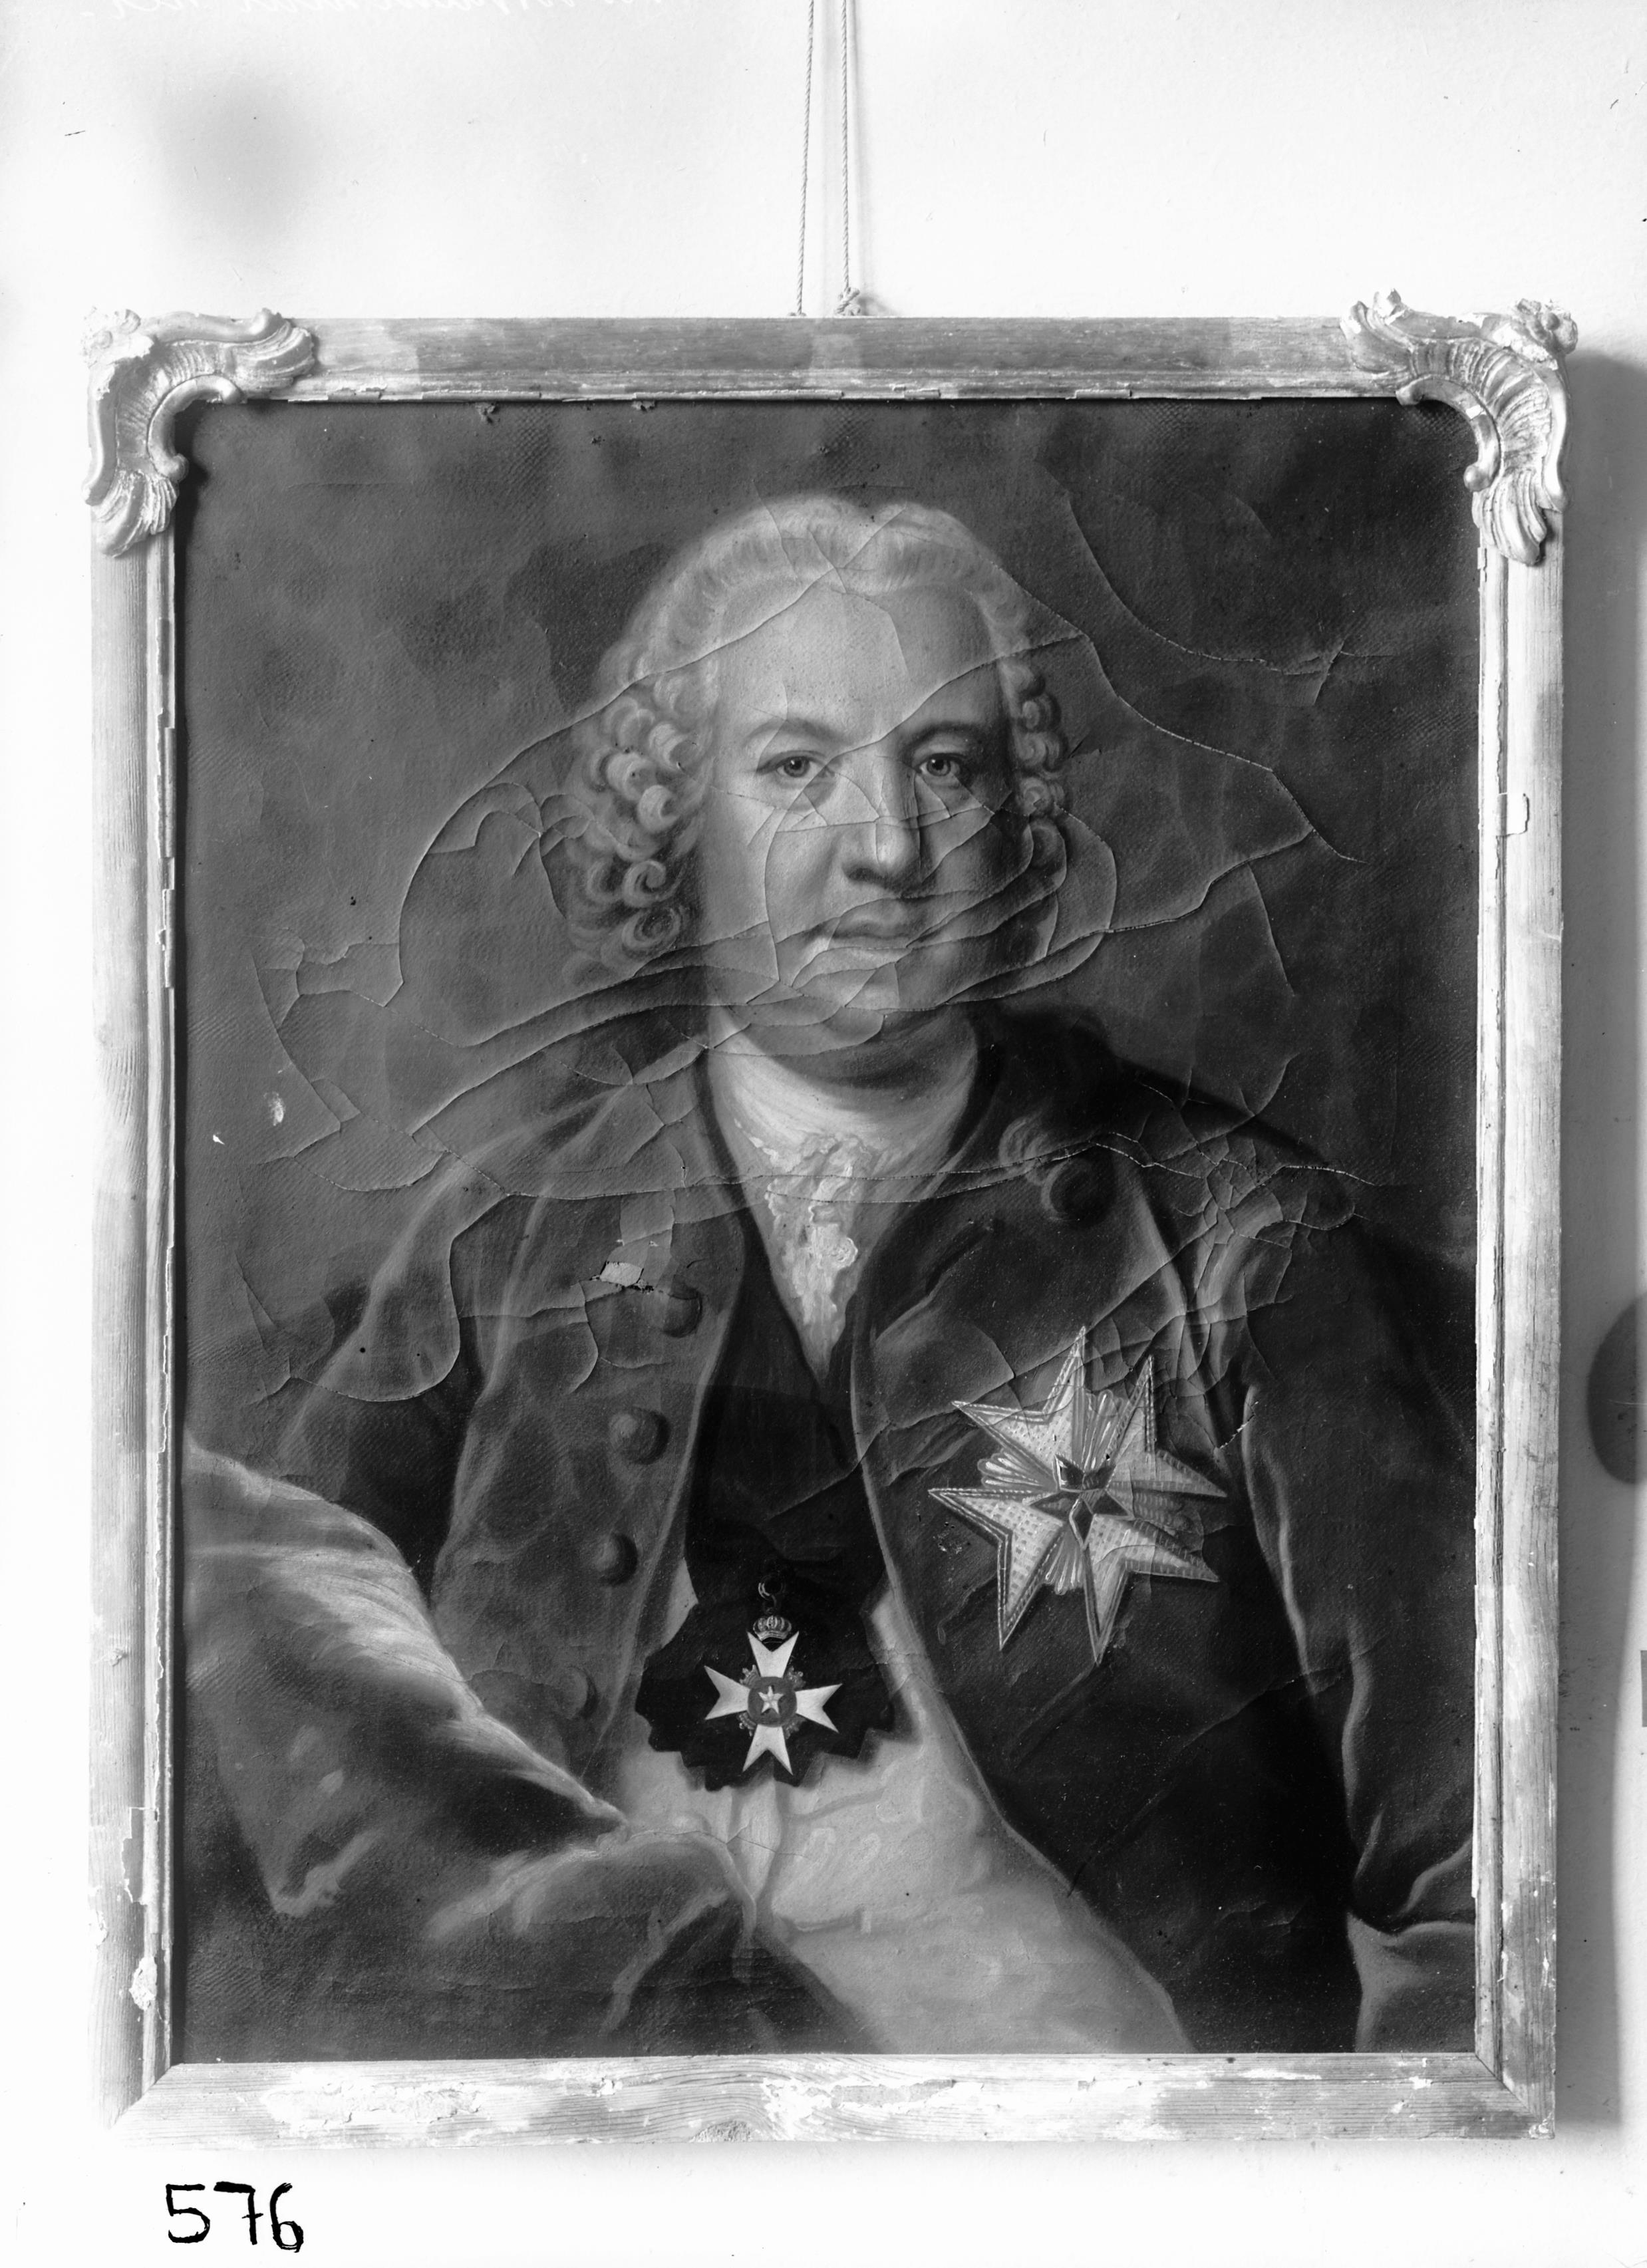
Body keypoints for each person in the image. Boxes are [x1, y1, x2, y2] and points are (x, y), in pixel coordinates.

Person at [182, 494, 1475, 2062]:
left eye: (946, 767)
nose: (887, 847)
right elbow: (270, 1704)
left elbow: (1473, 1868)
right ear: (676, 821)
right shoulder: (503, 1236)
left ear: (1016, 821)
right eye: (797, 767)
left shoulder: (1241, 1245)